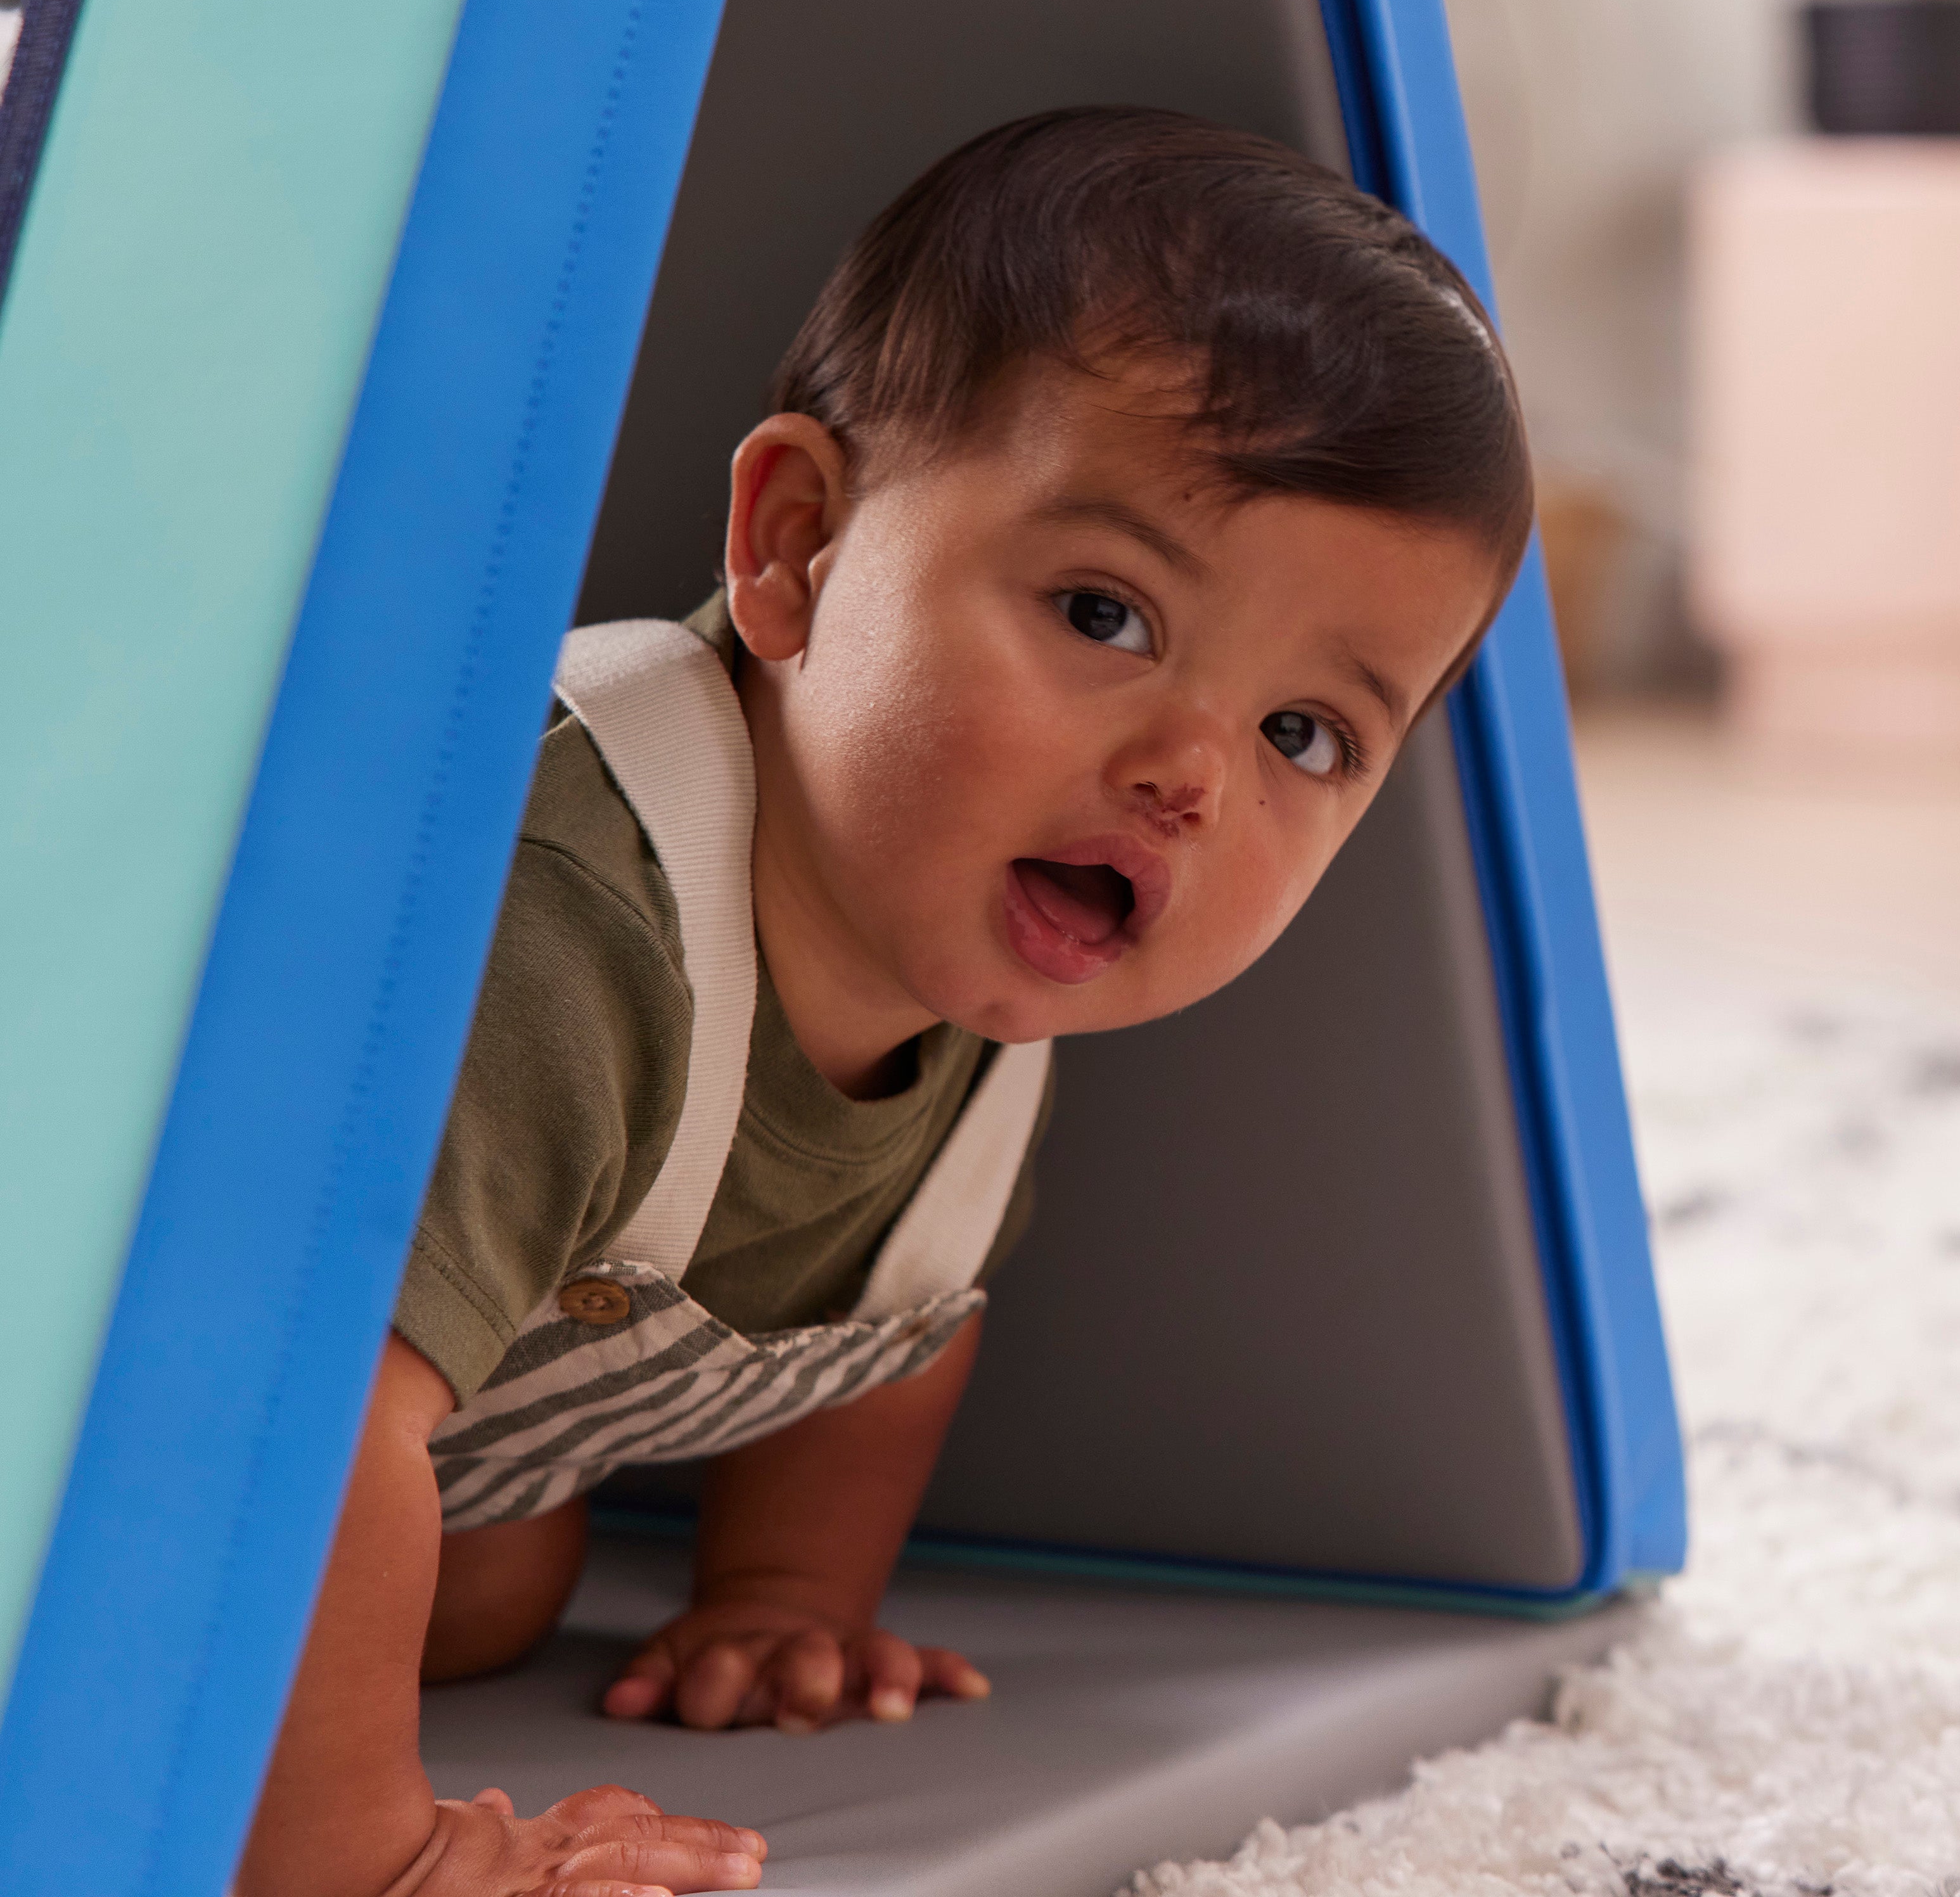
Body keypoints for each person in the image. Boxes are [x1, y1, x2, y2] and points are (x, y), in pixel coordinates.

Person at [238, 106, 1534, 1897]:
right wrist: (367, 1858)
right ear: (796, 546)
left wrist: (782, 1603)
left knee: (488, 1590)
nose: (1190, 775)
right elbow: (284, 1415)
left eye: (1304, 735)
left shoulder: (988, 974)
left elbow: (896, 1310)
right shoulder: (567, 921)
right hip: (121, 1363)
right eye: (1104, 611)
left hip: (408, 1459)